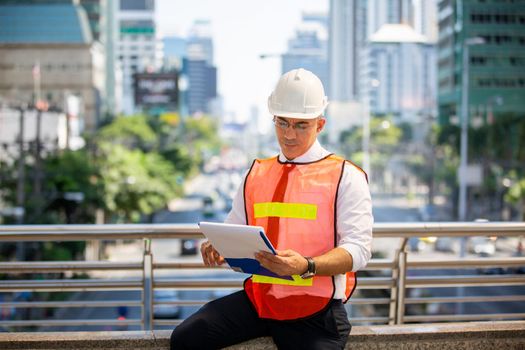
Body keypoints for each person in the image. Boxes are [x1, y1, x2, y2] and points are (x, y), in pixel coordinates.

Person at [170, 68, 373, 350]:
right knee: (186, 338)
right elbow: (235, 231)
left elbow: (359, 251)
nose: (289, 134)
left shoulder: (345, 175)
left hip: (317, 312)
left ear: (320, 124)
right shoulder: (255, 172)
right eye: (282, 122)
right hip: (260, 301)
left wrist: (307, 265)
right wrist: (218, 247)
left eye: (301, 124)